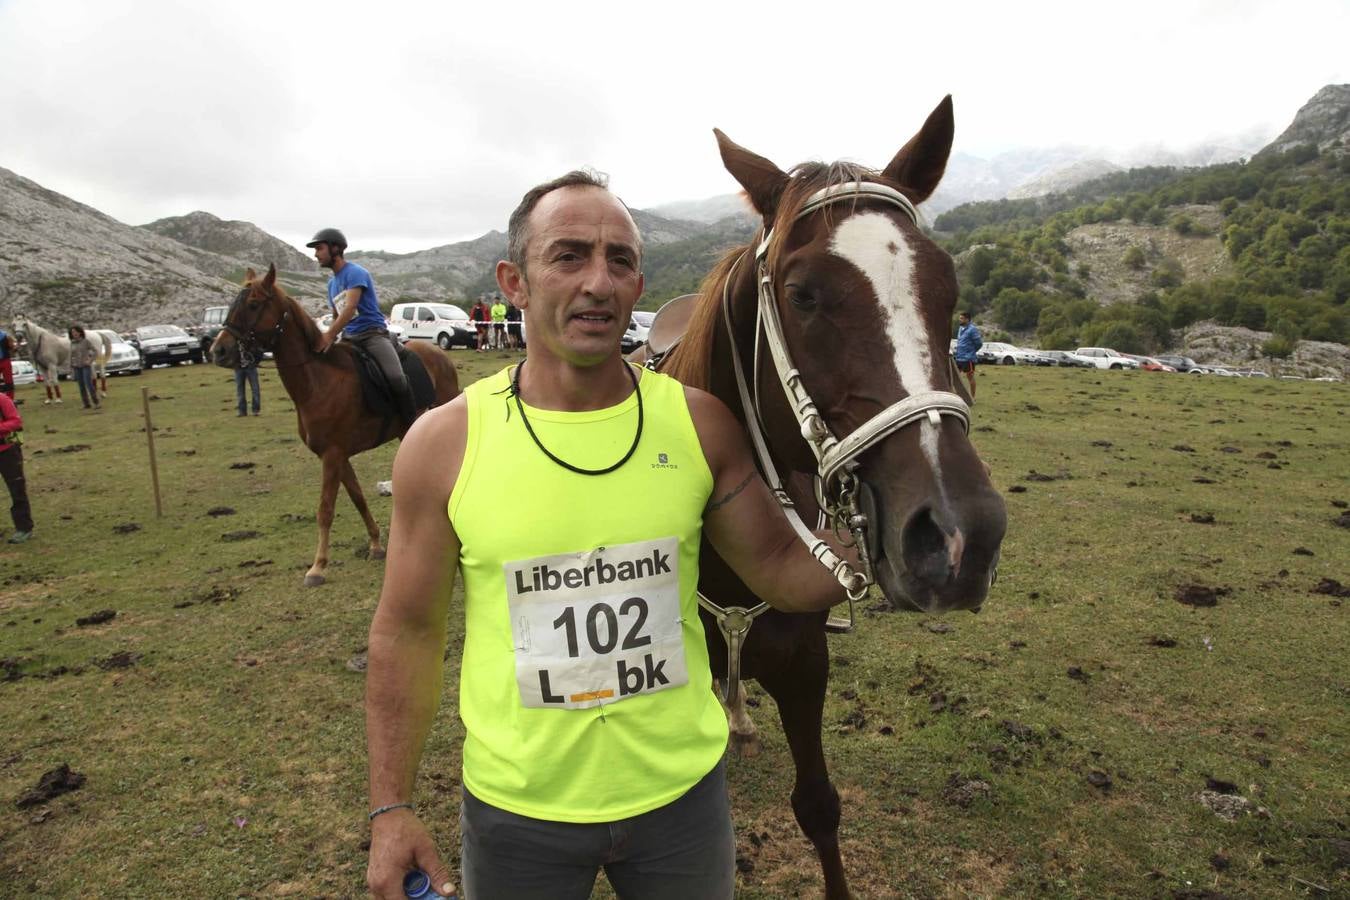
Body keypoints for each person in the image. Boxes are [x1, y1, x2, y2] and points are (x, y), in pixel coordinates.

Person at [364, 171, 856, 900]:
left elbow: (781, 568)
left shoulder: (699, 423)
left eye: (619, 261)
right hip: (518, 811)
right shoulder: (443, 444)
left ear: (638, 285)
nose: (599, 281)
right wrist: (391, 808)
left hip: (681, 804)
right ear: (515, 282)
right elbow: (405, 632)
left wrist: (880, 548)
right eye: (569, 256)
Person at [307, 228, 415, 426]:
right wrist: (334, 336)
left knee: (396, 377)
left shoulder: (356, 273)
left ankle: (411, 422)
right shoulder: (331, 284)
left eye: (319, 248)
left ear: (335, 248)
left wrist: (329, 335)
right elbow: (336, 315)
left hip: (372, 335)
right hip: (349, 337)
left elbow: (350, 308)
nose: (316, 254)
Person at [0, 389, 33, 543]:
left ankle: (23, 527)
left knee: (17, 489)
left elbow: (15, 421)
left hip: (7, 452)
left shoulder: (2, 399)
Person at [67, 326, 101, 410]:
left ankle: (96, 402)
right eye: (72, 332)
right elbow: (71, 355)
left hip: (85, 366)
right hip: (76, 367)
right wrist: (70, 366)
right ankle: (86, 404)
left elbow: (95, 351)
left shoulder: (85, 342)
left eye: (75, 332)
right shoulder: (72, 343)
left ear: (80, 332)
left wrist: (90, 360)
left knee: (88, 384)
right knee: (81, 386)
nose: (74, 334)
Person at [954, 310, 983, 401]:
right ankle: (958, 397)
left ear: (967, 319)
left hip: (968, 358)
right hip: (959, 357)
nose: (960, 320)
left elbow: (979, 343)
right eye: (960, 318)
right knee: (956, 377)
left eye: (962, 319)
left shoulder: (972, 329)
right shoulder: (960, 329)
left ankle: (972, 397)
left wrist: (972, 352)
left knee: (970, 377)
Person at [0, 326, 15, 397]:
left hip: (5, 360)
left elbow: (11, 347)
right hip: (5, 360)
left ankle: (10, 399)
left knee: (9, 382)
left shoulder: (5, 336)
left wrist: (13, 345)